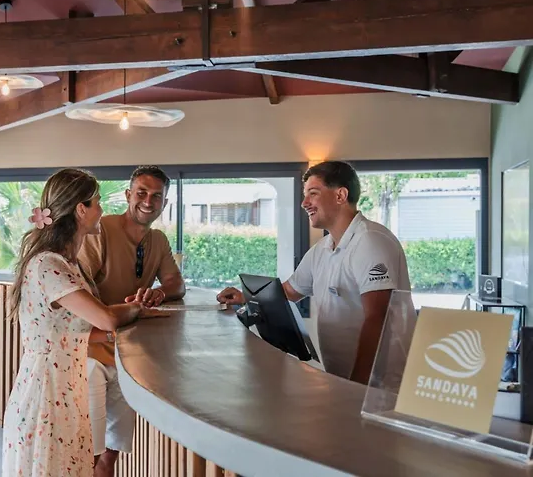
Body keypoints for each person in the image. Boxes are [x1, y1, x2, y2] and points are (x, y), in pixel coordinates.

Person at [1, 168, 159, 477]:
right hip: (47, 391)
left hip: (68, 388)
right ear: (80, 210)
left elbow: (70, 331)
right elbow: (106, 318)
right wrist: (136, 309)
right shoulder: (48, 265)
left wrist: (118, 333)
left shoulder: (69, 265)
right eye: (97, 202)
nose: (102, 210)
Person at [217, 161, 411, 385]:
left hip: (379, 384)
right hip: (343, 380)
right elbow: (289, 291)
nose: (304, 203)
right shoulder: (322, 249)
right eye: (305, 194)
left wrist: (358, 385)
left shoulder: (370, 241)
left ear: (340, 195)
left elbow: (377, 316)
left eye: (313, 193)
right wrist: (245, 297)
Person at [78, 165, 186, 477]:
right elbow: (79, 290)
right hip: (90, 353)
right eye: (141, 193)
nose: (148, 201)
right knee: (88, 453)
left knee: (111, 454)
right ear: (128, 195)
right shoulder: (100, 230)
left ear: (164, 203)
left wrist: (159, 293)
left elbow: (176, 284)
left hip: (128, 358)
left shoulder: (158, 240)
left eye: (156, 196)